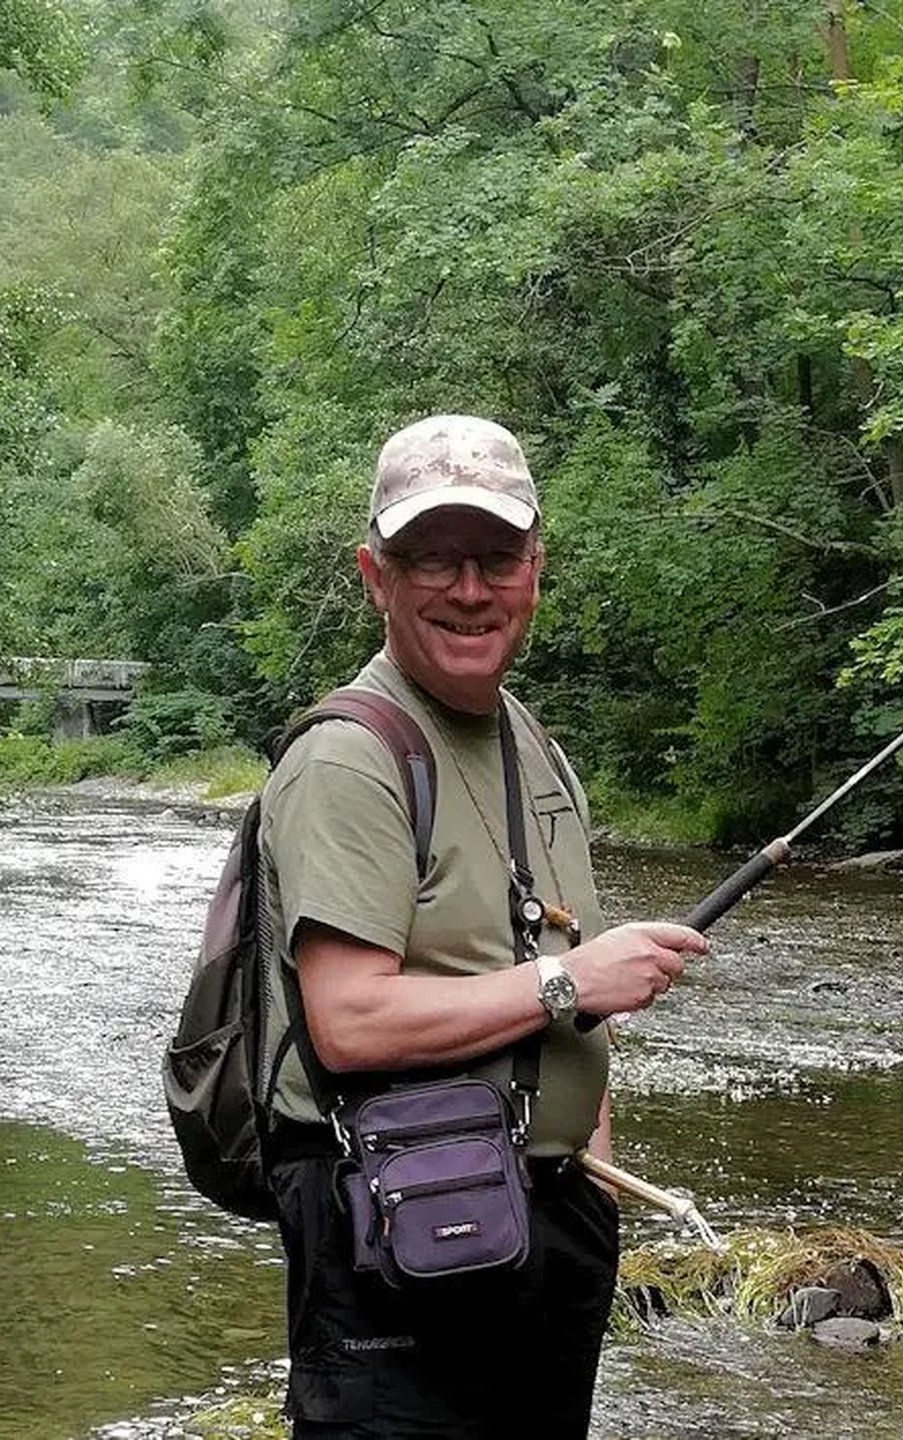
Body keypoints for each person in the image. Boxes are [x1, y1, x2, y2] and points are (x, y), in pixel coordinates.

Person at [257, 414, 708, 1437]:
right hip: (391, 1234)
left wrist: (585, 1177)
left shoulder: (536, 749)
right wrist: (571, 986)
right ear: (376, 574)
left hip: (541, 1226)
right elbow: (350, 1021)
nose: (469, 589)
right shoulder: (349, 760)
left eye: (496, 557)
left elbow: (561, 990)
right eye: (433, 559)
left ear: (535, 569)